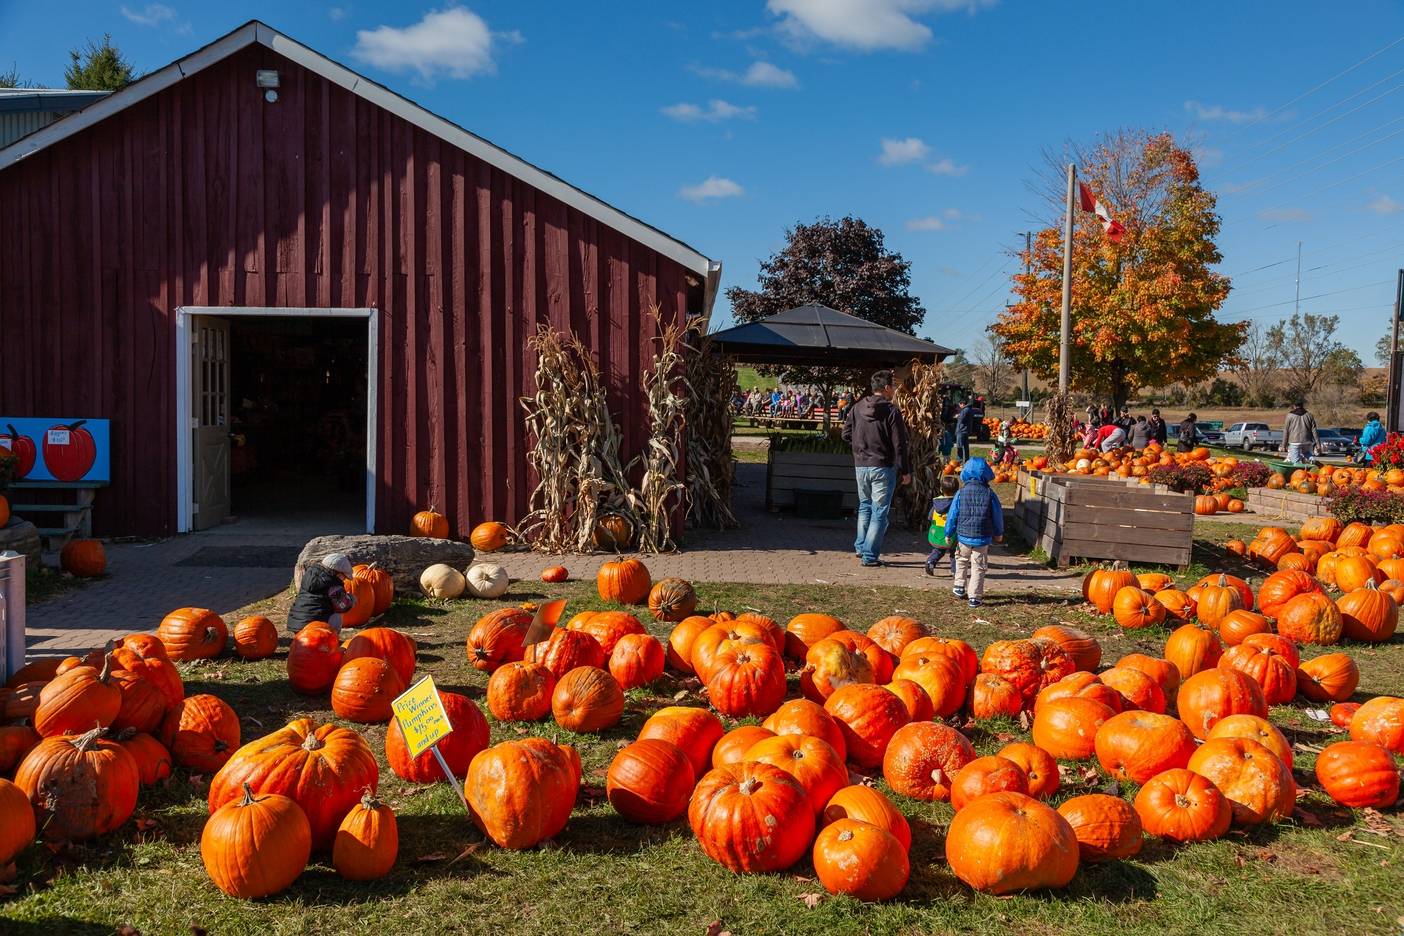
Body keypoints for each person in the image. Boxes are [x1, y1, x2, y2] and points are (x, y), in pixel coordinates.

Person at [842, 370, 911, 568]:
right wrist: (905, 470)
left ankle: (860, 546)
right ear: (887, 388)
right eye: (894, 387)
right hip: (882, 466)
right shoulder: (892, 411)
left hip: (861, 465)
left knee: (865, 505)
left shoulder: (856, 407)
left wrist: (860, 447)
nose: (895, 390)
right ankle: (870, 555)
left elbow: (845, 434)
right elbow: (900, 444)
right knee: (879, 511)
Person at [946, 457, 1005, 608]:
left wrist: (948, 532)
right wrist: (998, 532)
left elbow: (953, 514)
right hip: (982, 537)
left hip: (963, 536)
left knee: (961, 560)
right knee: (978, 566)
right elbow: (997, 515)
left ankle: (959, 586)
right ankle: (975, 596)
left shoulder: (961, 493)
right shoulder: (990, 494)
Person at [287, 553, 357, 634]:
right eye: (344, 577)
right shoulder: (333, 584)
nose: (344, 580)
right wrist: (351, 600)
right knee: (337, 616)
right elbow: (343, 606)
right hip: (316, 627)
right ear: (338, 573)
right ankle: (332, 637)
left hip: (297, 624)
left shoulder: (310, 575)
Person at [925, 474, 961, 577]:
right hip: (952, 533)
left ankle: (930, 562)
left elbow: (930, 516)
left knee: (939, 550)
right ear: (957, 490)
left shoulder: (936, 502)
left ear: (941, 489)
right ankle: (955, 571)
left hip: (937, 532)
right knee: (954, 552)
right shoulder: (956, 503)